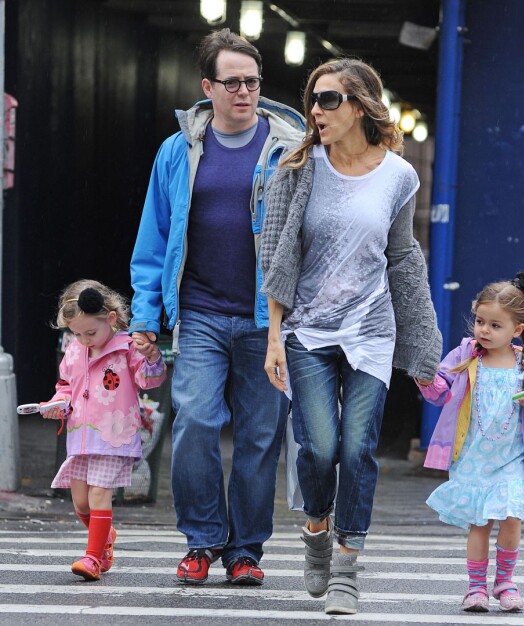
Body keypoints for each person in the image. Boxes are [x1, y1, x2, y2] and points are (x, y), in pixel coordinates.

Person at [261, 58, 442, 615]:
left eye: (330, 100)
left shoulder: (398, 175)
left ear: (361, 105)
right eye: (314, 99)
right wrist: (273, 336)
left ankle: (345, 565)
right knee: (318, 445)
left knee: (358, 447)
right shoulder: (294, 169)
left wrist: (423, 343)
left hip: (370, 332)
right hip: (307, 332)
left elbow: (402, 258)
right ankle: (317, 527)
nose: (316, 110)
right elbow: (275, 257)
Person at [129, 29, 304, 586]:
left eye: (253, 82)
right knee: (198, 422)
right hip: (199, 310)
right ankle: (202, 540)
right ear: (208, 87)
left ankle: (245, 550)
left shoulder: (289, 145)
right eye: (233, 83)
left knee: (258, 437)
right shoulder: (177, 149)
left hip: (266, 317)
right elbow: (154, 237)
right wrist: (144, 317)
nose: (245, 92)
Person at [416, 271, 524, 613]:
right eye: (480, 321)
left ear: (517, 330)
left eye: (495, 325)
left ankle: (506, 581)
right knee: (479, 523)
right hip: (472, 458)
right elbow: (440, 392)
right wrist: (425, 378)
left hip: (513, 459)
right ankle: (476, 587)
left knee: (512, 518)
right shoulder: (467, 355)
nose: (483, 330)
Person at [42, 279, 166, 581]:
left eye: (90, 332)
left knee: (99, 496)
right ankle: (104, 536)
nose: (84, 339)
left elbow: (151, 380)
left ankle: (93, 557)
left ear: (110, 319)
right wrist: (57, 403)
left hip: (114, 436)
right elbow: (66, 386)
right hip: (80, 436)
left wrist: (151, 356)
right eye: (77, 333)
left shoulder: (126, 349)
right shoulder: (73, 350)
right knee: (81, 503)